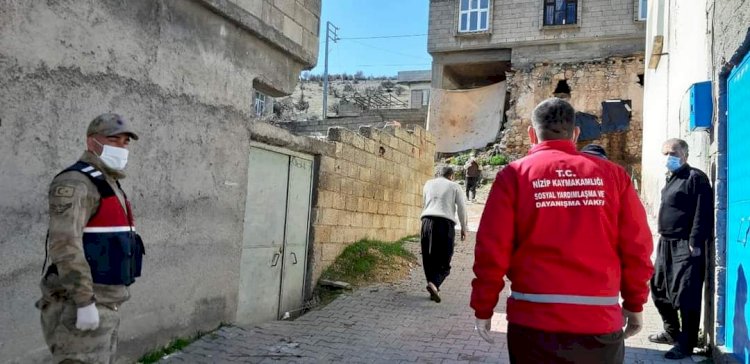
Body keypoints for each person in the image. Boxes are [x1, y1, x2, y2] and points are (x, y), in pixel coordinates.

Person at [470, 98, 654, 363]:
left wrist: (484, 307)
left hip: (532, 325)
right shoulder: (614, 176)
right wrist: (635, 304)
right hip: (599, 323)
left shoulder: (514, 175)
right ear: (576, 133)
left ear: (532, 134)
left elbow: (491, 250)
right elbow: (637, 247)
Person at [37, 113, 145, 363]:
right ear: (92, 142)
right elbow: (64, 245)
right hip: (82, 304)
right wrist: (84, 302)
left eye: (126, 142)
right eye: (113, 139)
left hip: (107, 303)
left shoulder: (109, 182)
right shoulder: (76, 182)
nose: (121, 147)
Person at [648, 138, 713, 360]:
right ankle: (671, 332)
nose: (668, 157)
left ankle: (687, 344)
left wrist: (695, 240)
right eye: (665, 153)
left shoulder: (695, 178)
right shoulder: (671, 178)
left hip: (685, 244)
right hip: (665, 243)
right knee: (658, 289)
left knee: (686, 294)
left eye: (673, 152)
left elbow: (702, 211)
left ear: (684, 154)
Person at [420, 166, 468, 303]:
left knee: (428, 257)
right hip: (444, 224)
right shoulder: (454, 186)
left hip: (426, 221)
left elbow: (424, 203)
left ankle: (432, 286)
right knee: (445, 260)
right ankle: (434, 283)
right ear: (451, 175)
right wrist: (464, 228)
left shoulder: (428, 184)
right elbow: (462, 208)